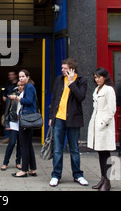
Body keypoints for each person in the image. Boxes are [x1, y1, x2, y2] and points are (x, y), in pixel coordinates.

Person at [48, 58, 88, 187]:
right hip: (59, 117)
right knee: (57, 149)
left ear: (72, 69)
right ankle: (56, 175)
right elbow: (54, 99)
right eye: (62, 67)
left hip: (73, 119)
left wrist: (71, 83)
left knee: (74, 149)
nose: (62, 70)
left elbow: (81, 97)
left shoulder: (81, 80)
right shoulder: (59, 80)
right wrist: (51, 116)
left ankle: (78, 175)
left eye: (64, 68)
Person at [87, 68, 117, 191]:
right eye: (95, 77)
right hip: (96, 123)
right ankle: (103, 179)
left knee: (106, 154)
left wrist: (103, 123)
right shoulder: (96, 89)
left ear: (105, 77)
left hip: (104, 126)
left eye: (99, 77)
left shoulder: (109, 90)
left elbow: (111, 110)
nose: (97, 79)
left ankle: (108, 181)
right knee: (101, 154)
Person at [9, 69, 37, 178]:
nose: (21, 79)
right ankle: (32, 169)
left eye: (23, 76)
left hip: (26, 119)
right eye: (20, 77)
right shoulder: (29, 87)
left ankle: (24, 170)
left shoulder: (29, 87)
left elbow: (29, 101)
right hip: (28, 119)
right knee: (29, 144)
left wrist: (17, 98)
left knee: (24, 144)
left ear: (28, 77)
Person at [1, 80, 22, 171]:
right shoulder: (12, 96)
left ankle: (18, 162)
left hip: (23, 122)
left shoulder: (25, 95)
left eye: (22, 85)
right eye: (18, 85)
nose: (20, 87)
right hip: (13, 121)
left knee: (20, 143)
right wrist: (6, 123)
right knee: (12, 142)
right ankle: (5, 162)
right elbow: (7, 110)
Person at [0, 70, 18, 144]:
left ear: (15, 75)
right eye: (9, 75)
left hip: (16, 103)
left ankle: (15, 138)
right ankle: (7, 137)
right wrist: (3, 96)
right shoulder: (8, 84)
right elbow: (4, 91)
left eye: (12, 75)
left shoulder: (19, 83)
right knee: (6, 118)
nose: (10, 76)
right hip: (8, 104)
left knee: (15, 119)